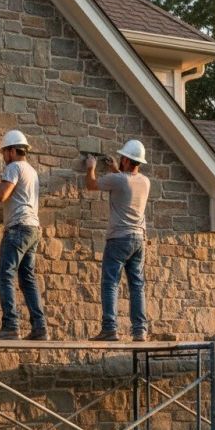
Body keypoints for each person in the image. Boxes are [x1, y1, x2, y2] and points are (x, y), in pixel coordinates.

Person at [0, 130, 48, 340]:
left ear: (12, 151)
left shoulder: (13, 167)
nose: (3, 157)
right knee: (27, 279)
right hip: (33, 228)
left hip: (18, 228)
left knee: (4, 275)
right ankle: (40, 328)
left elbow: (2, 195)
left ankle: (11, 326)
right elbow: (15, 192)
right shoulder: (30, 170)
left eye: (5, 152)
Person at [84, 139, 150, 342]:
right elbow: (124, 180)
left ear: (127, 161)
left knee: (110, 282)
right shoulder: (145, 181)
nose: (120, 160)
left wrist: (91, 168)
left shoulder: (119, 180)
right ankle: (140, 330)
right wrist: (115, 169)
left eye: (122, 158)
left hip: (119, 239)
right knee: (137, 285)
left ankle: (110, 329)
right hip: (139, 239)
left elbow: (91, 185)